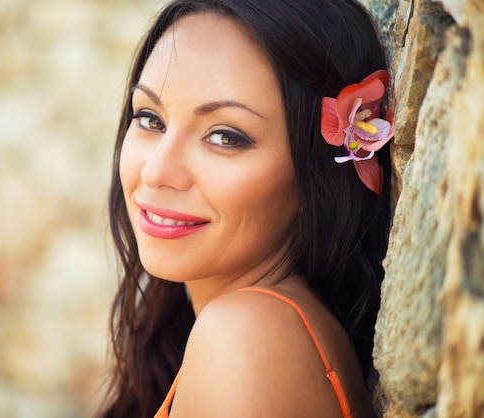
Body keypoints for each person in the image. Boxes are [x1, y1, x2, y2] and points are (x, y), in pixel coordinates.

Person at [99, 0, 393, 416]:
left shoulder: (243, 339)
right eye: (150, 119)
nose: (156, 171)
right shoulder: (252, 330)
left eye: (225, 137)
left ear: (315, 180)